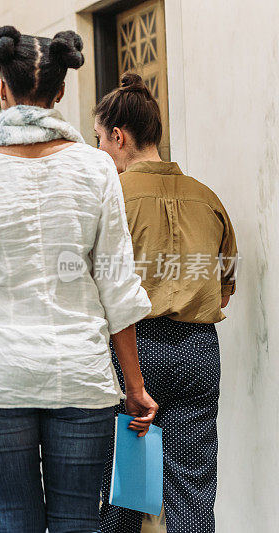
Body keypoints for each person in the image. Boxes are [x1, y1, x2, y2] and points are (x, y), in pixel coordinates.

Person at [0, 26, 159, 533]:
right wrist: (135, 387)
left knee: (14, 518)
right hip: (81, 373)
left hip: (2, 375)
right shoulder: (97, 169)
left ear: (1, 88)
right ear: (60, 92)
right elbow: (117, 288)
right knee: (78, 519)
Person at [94, 73, 238, 533]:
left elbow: (95, 287)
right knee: (192, 490)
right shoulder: (208, 198)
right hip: (198, 350)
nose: (100, 152)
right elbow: (226, 285)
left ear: (119, 136)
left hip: (131, 351)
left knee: (121, 491)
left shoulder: (111, 197)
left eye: (100, 140)